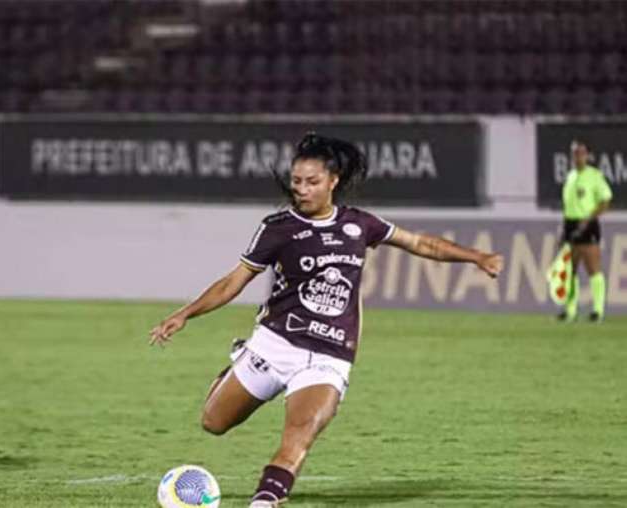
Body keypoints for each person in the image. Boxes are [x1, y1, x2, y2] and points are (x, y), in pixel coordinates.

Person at [150, 133, 504, 507]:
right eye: (297, 181)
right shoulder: (278, 228)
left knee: (299, 435)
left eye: (312, 182)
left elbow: (420, 244)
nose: (301, 189)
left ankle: (265, 501)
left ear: (333, 181)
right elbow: (233, 282)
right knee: (214, 423)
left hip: (329, 355)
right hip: (274, 343)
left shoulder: (359, 225)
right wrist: (185, 314)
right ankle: (237, 365)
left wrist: (475, 257)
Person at [558, 140, 612, 323]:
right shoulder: (571, 176)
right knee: (570, 269)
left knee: (592, 267)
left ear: (587, 156)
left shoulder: (595, 176)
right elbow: (568, 204)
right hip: (570, 223)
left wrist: (589, 218)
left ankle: (597, 310)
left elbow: (605, 201)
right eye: (575, 153)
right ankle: (570, 310)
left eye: (581, 153)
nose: (578, 157)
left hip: (587, 223)